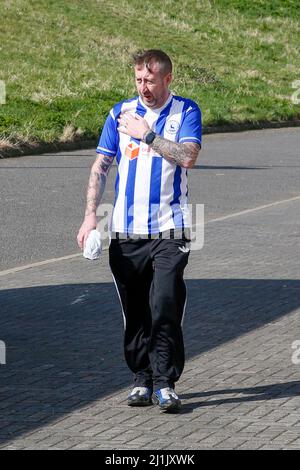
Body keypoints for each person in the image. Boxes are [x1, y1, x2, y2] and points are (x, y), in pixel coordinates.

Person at [77, 49, 202, 412]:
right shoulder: (119, 113)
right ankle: (141, 379)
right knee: (135, 312)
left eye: (150, 80)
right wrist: (89, 218)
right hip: (126, 233)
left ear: (168, 78)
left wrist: (147, 136)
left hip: (170, 230)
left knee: (164, 303)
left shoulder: (186, 110)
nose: (143, 87)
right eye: (138, 80)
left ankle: (166, 383)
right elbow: (100, 167)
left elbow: (188, 156)